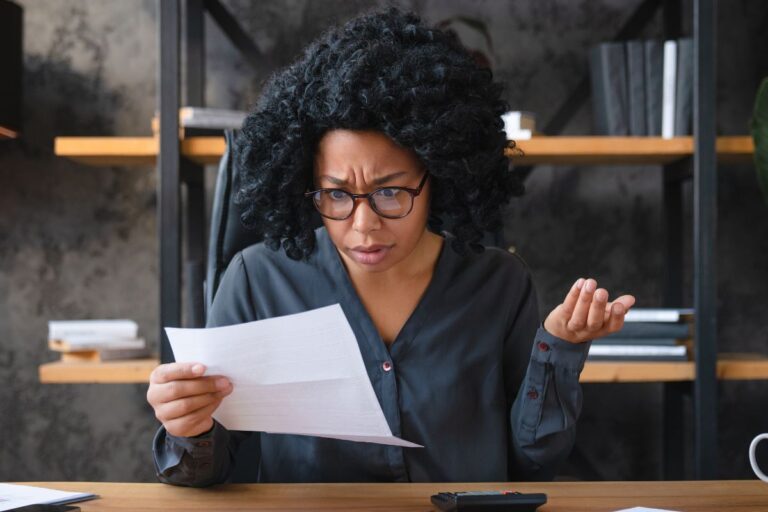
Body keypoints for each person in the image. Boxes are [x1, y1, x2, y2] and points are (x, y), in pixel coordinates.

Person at [147, 8, 635, 486]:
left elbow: (534, 463)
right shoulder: (257, 281)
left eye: (389, 192)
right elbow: (211, 471)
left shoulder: (499, 284)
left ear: (439, 178)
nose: (363, 226)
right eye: (336, 194)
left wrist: (560, 347)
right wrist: (190, 427)